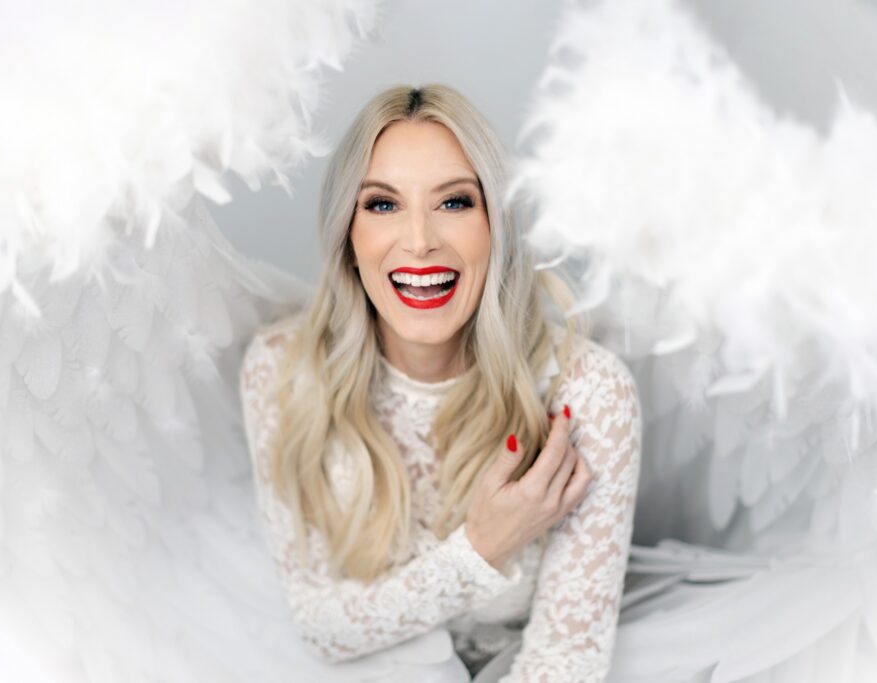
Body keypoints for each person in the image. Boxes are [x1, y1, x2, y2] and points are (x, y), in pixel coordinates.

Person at [239, 83, 642, 681]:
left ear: (496, 225)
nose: (420, 239)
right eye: (382, 204)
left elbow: (566, 657)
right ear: (348, 236)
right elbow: (320, 623)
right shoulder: (281, 369)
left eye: (454, 202)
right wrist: (481, 548)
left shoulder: (588, 393)